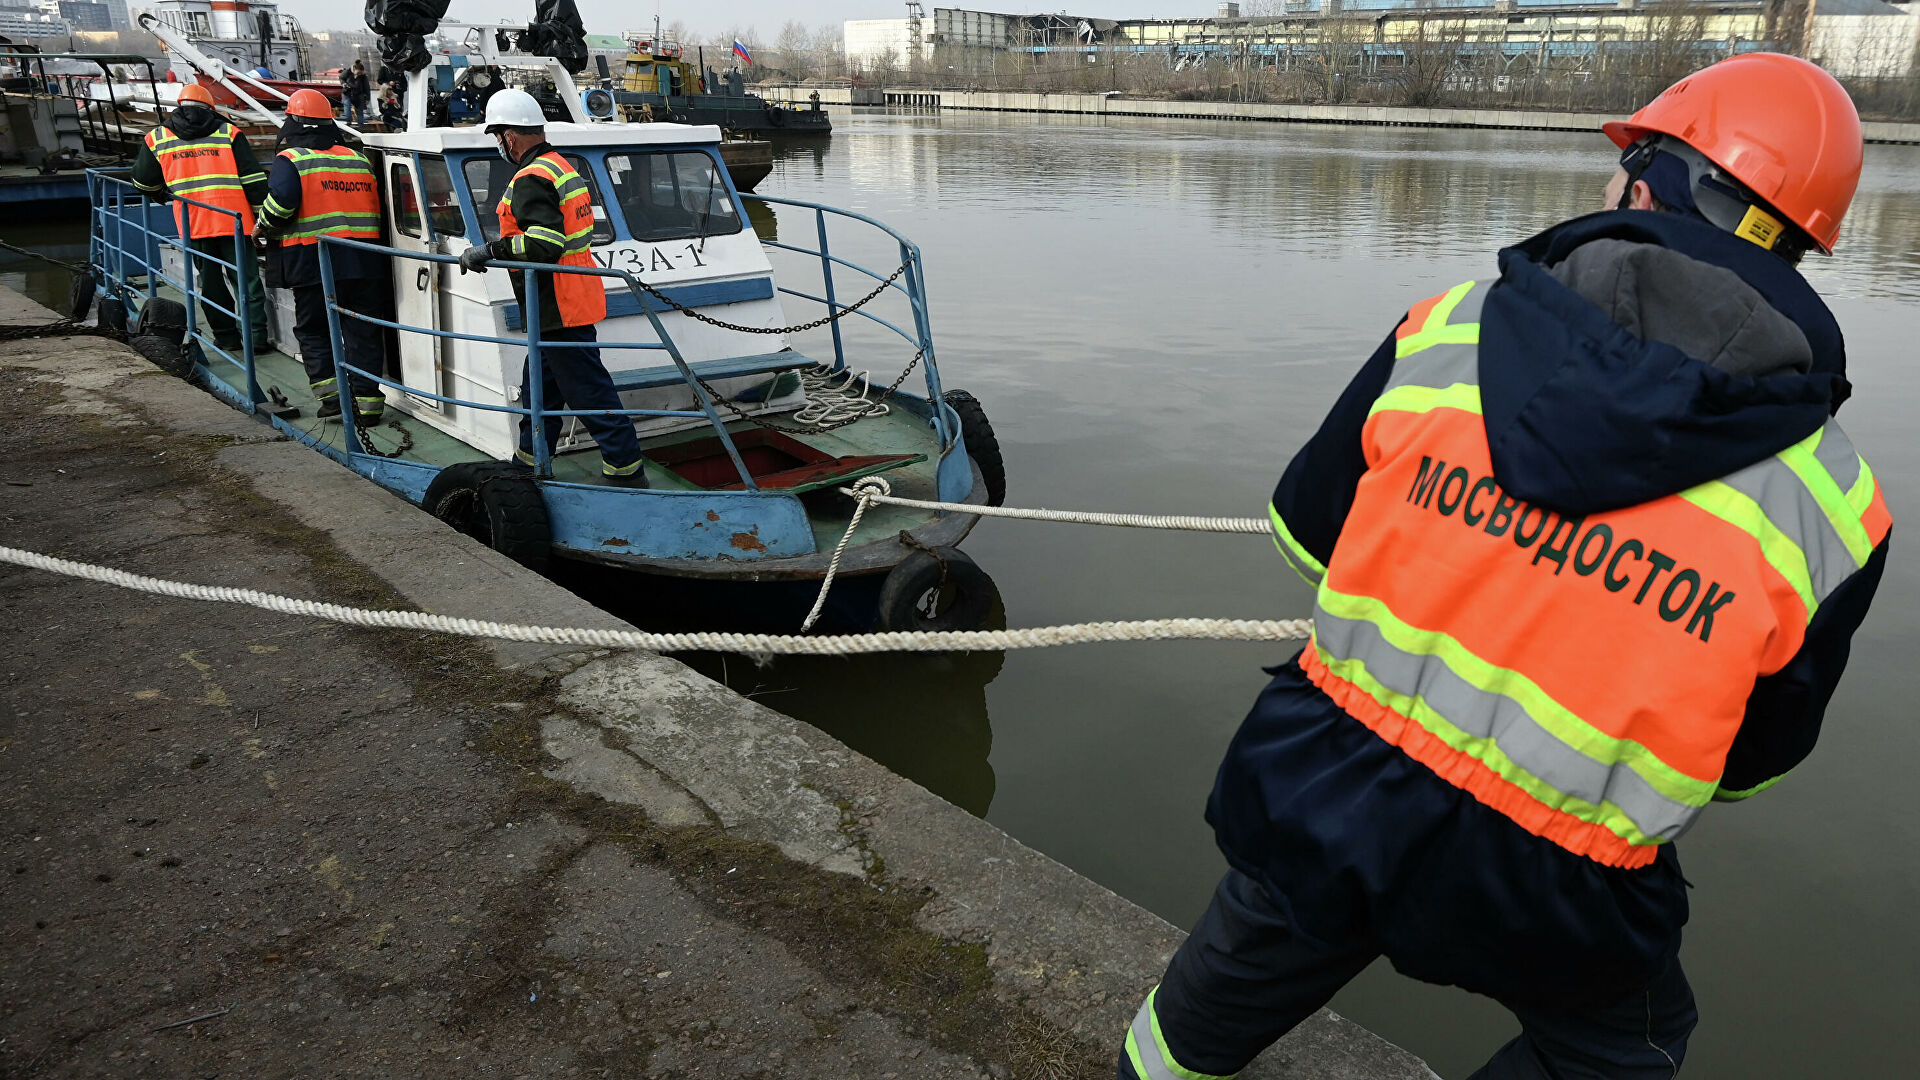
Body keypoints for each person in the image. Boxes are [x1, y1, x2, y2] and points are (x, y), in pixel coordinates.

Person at [1118, 53, 1889, 1080]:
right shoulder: (1835, 506)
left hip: (1334, 786)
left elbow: (1305, 536)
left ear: (1655, 179)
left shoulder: (1443, 331)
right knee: (1628, 1047)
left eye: (1625, 161)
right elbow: (1749, 764)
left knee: (1218, 993)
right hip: (1559, 884)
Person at [457, 88, 646, 486]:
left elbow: (544, 243)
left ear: (509, 136)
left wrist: (490, 250)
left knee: (588, 392)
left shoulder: (531, 178)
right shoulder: (560, 165)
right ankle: (528, 461)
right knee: (539, 391)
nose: (499, 145)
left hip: (557, 303)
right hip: (562, 300)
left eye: (497, 137)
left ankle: (626, 470)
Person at [253, 88, 389, 424]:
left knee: (314, 329)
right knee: (362, 331)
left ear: (293, 122)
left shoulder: (293, 160)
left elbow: (282, 202)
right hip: (363, 260)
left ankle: (333, 400)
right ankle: (368, 405)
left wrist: (262, 226)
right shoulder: (357, 159)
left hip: (312, 259)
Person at [130, 82, 270, 351]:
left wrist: (164, 195)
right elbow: (253, 180)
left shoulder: (157, 137)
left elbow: (142, 182)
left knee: (211, 285)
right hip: (235, 222)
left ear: (179, 107)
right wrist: (261, 221)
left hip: (193, 223)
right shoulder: (230, 133)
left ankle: (227, 339)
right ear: (211, 108)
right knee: (247, 282)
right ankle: (256, 340)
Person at [341, 60, 371, 126]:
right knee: (347, 107)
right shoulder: (347, 72)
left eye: (361, 73)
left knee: (360, 110)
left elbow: (367, 87)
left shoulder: (363, 76)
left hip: (359, 94)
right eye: (359, 72)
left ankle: (361, 124)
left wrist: (368, 98)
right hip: (347, 93)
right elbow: (341, 78)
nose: (360, 74)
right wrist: (343, 83)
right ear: (355, 69)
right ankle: (348, 122)